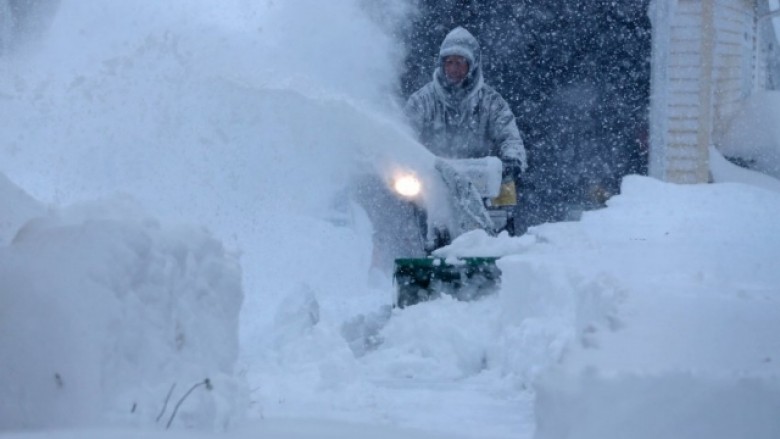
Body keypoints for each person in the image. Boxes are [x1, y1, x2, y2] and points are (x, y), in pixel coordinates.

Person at [404, 26, 527, 181]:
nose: (453, 69)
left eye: (460, 63)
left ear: (473, 65)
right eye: (449, 62)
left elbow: (509, 137)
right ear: (442, 64)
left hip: (484, 182)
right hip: (430, 182)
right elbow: (405, 133)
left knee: (506, 193)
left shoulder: (492, 102)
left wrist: (512, 160)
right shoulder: (422, 100)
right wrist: (405, 160)